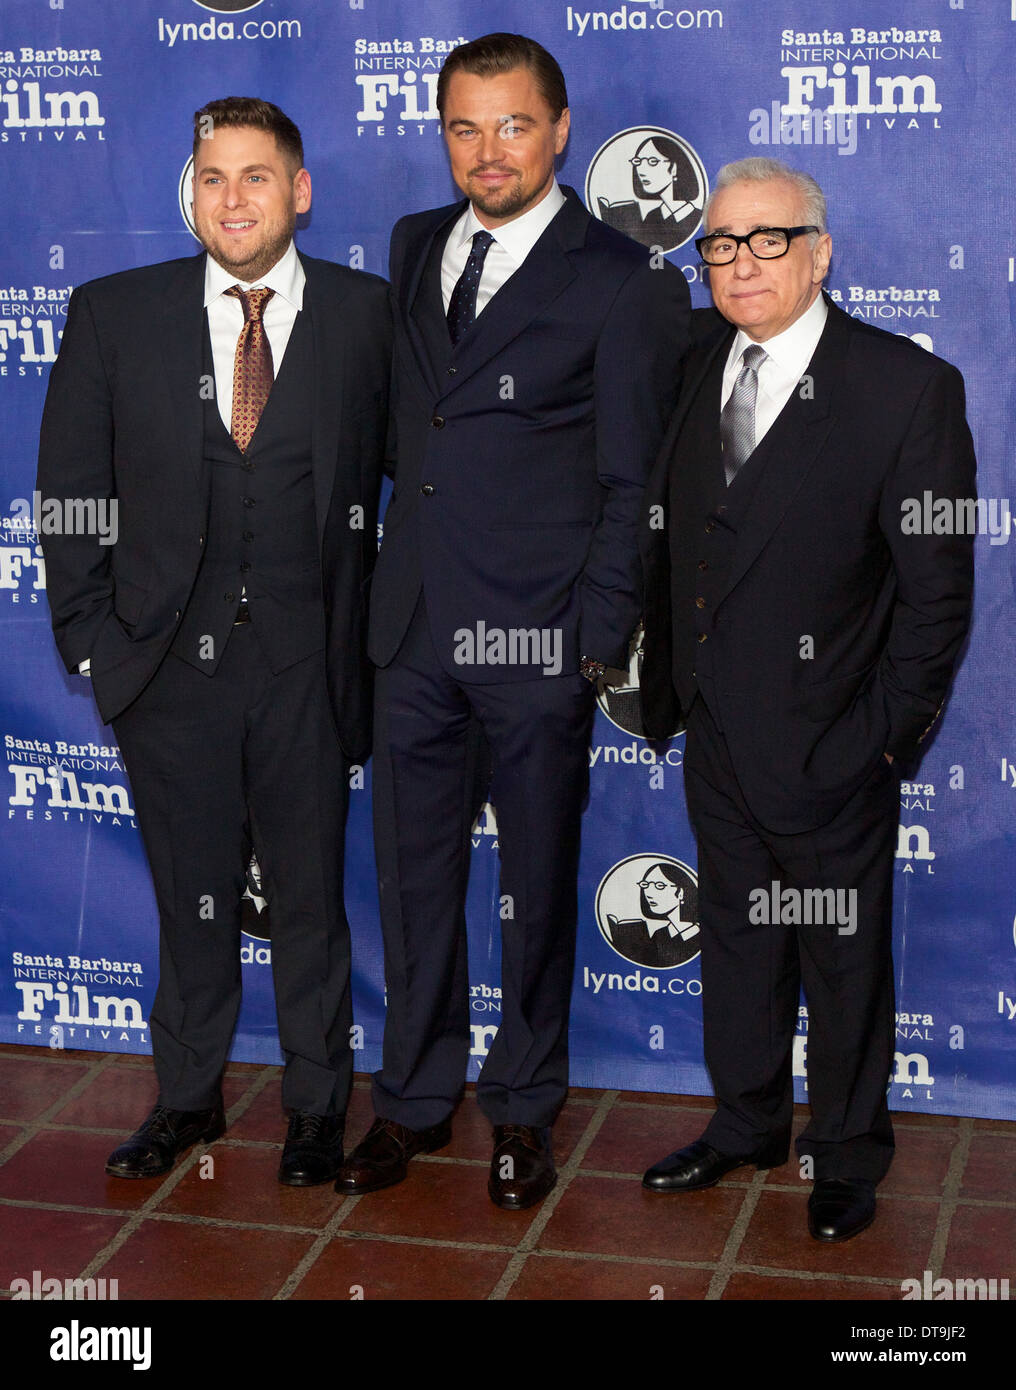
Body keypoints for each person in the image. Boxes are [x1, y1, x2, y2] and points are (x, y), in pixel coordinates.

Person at [336, 32, 690, 1210]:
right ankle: (414, 1100)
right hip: (413, 629)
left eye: (512, 126)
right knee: (412, 877)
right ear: (443, 134)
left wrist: (596, 634)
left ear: (561, 128)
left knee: (537, 886)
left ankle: (524, 1111)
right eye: (463, 127)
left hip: (540, 639)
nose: (487, 152)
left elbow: (632, 479)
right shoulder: (413, 244)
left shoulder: (624, 281)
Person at [36, 97, 391, 1187]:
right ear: (190, 194)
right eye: (212, 177)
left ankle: (316, 1110)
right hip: (164, 673)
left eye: (255, 176)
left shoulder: (367, 315)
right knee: (189, 897)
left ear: (300, 191)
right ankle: (186, 1100)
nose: (232, 198)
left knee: (308, 902)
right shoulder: (113, 313)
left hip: (309, 667)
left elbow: (417, 485)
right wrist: (95, 642)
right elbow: (71, 495)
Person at [639, 156, 975, 1242]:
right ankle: (742, 1123)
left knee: (838, 956)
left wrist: (876, 748)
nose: (739, 264)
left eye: (766, 239)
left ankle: (843, 1152)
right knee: (736, 941)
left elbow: (935, 603)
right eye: (719, 245)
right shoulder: (695, 360)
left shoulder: (903, 389)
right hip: (715, 735)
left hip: (834, 746)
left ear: (819, 251)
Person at [598, 135, 702, 250]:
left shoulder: (698, 219)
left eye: (652, 161)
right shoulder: (652, 216)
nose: (641, 171)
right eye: (638, 162)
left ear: (673, 168)